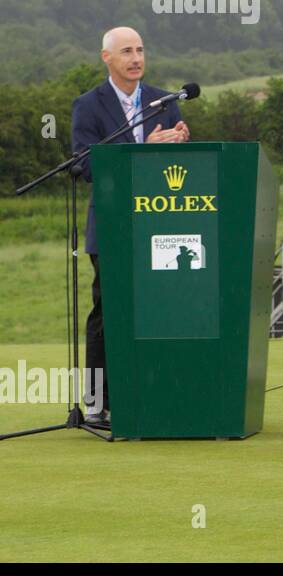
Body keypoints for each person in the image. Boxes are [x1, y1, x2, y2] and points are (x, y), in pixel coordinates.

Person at [71, 26, 190, 431]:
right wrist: (143, 150)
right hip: (111, 226)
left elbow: (181, 171)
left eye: (140, 50)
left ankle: (156, 392)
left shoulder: (165, 101)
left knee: (160, 309)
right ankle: (96, 404)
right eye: (126, 51)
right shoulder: (88, 106)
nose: (136, 58)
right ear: (107, 57)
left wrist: (178, 145)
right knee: (108, 313)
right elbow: (84, 166)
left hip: (160, 226)